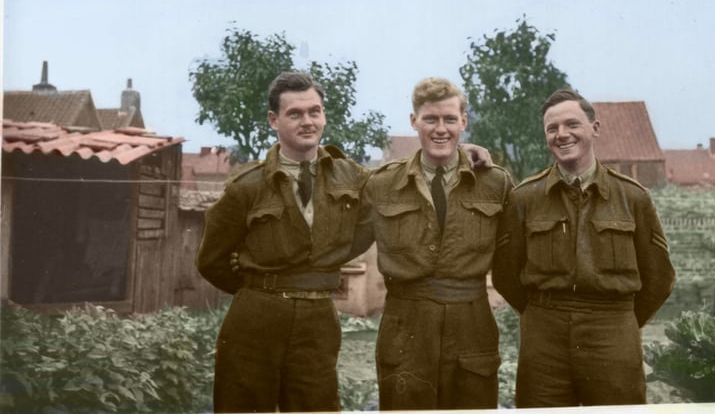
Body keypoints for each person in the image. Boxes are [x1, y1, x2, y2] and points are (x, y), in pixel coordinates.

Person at [196, 71, 492, 413]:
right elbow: (211, 259)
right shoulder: (246, 186)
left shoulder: (350, 176)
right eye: (295, 114)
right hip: (255, 318)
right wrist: (260, 287)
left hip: (318, 316)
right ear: (273, 120)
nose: (307, 122)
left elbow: (403, 178)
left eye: (314, 112)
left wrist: (459, 150)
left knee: (317, 406)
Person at [492, 88, 675, 407]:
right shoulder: (525, 198)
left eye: (572, 124)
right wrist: (544, 312)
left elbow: (659, 277)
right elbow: (506, 274)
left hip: (612, 334)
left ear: (595, 128)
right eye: (552, 128)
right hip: (544, 339)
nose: (562, 135)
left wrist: (620, 322)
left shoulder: (633, 198)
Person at [353, 77, 514, 410]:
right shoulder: (382, 184)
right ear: (414, 121)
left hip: (472, 326)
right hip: (405, 328)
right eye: (430, 119)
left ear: (463, 122)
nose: (441, 129)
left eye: (450, 120)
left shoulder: (494, 182)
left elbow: (514, 259)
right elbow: (343, 241)